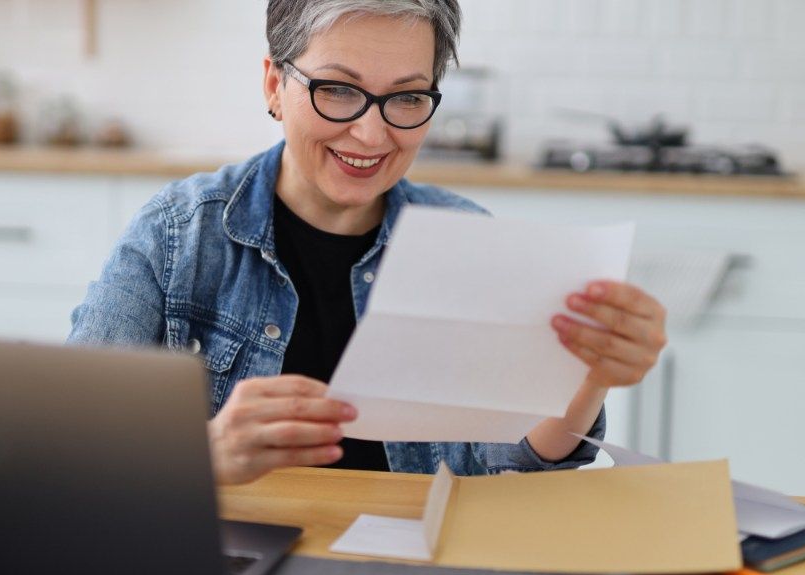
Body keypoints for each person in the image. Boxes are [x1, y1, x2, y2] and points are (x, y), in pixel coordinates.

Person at [69, 0, 667, 486]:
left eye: (407, 97)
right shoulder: (179, 235)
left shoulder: (468, 241)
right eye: (337, 88)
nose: (372, 132)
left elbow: (516, 458)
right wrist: (201, 456)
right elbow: (66, 446)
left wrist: (590, 375)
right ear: (275, 85)